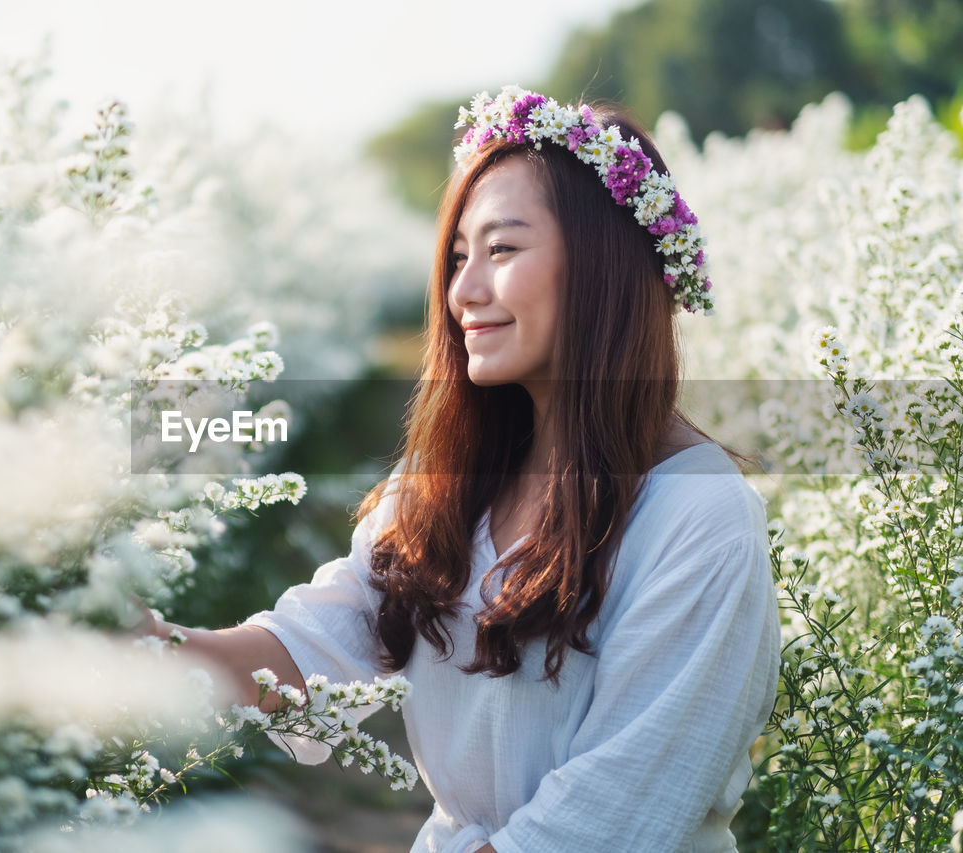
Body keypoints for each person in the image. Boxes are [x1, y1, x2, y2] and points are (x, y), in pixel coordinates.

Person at [138, 87, 780, 852]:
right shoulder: (449, 479)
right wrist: (140, 644)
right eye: (457, 256)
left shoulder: (698, 515)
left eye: (502, 250)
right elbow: (309, 647)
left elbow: (607, 821)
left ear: (603, 268)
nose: (463, 292)